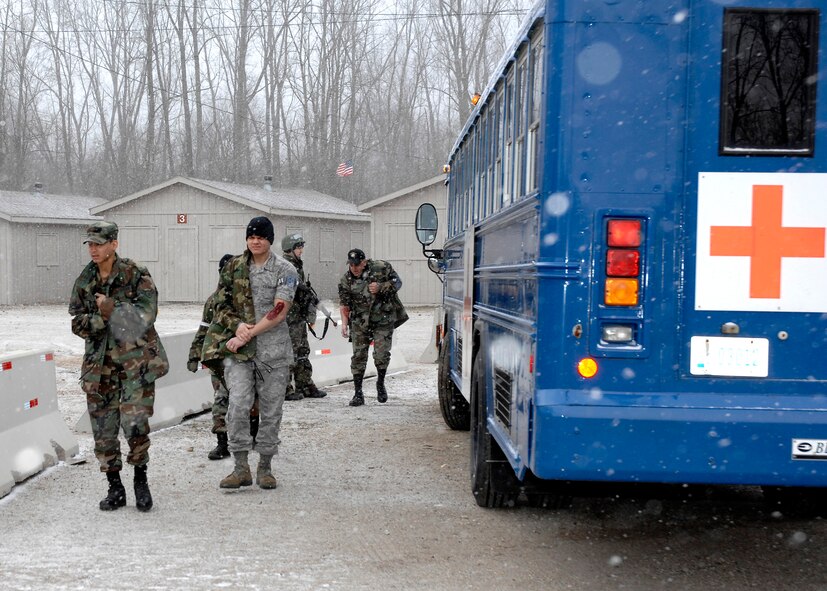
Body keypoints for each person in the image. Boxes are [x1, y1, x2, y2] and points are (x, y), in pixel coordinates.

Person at [69, 221, 169, 512]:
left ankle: (140, 480)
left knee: (135, 424)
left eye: (99, 243)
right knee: (104, 429)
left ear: (114, 243)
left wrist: (113, 309)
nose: (94, 249)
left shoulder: (135, 274)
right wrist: (101, 318)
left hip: (135, 364)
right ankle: (115, 487)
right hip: (99, 367)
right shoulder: (85, 280)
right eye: (90, 244)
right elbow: (77, 323)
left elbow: (146, 316)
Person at [201, 216, 298, 490]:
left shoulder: (285, 269)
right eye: (251, 236)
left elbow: (280, 309)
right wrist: (238, 326)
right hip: (240, 353)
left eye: (261, 236)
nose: (256, 241)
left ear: (270, 239)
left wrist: (249, 333)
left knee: (270, 411)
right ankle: (240, 466)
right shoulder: (233, 267)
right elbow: (220, 304)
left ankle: (265, 467)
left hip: (273, 353)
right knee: (238, 406)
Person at [187, 254, 261, 460]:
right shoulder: (214, 301)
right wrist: (194, 354)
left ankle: (254, 435)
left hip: (246, 355)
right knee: (221, 398)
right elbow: (203, 329)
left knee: (251, 397)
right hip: (220, 355)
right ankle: (222, 443)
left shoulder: (250, 298)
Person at [338, 248, 408, 407]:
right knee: (358, 357)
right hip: (360, 322)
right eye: (351, 265)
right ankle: (358, 393)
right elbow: (344, 303)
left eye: (357, 265)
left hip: (382, 319)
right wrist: (344, 323)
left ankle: (380, 383)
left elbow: (397, 282)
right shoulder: (346, 279)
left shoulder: (381, 267)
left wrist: (381, 286)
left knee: (381, 355)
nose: (354, 268)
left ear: (364, 262)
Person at [281, 233, 327, 401]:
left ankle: (305, 384)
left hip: (297, 316)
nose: (301, 250)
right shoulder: (286, 266)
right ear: (291, 249)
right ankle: (285, 388)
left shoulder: (296, 265)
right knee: (290, 353)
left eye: (301, 247)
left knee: (302, 351)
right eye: (298, 247)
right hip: (289, 317)